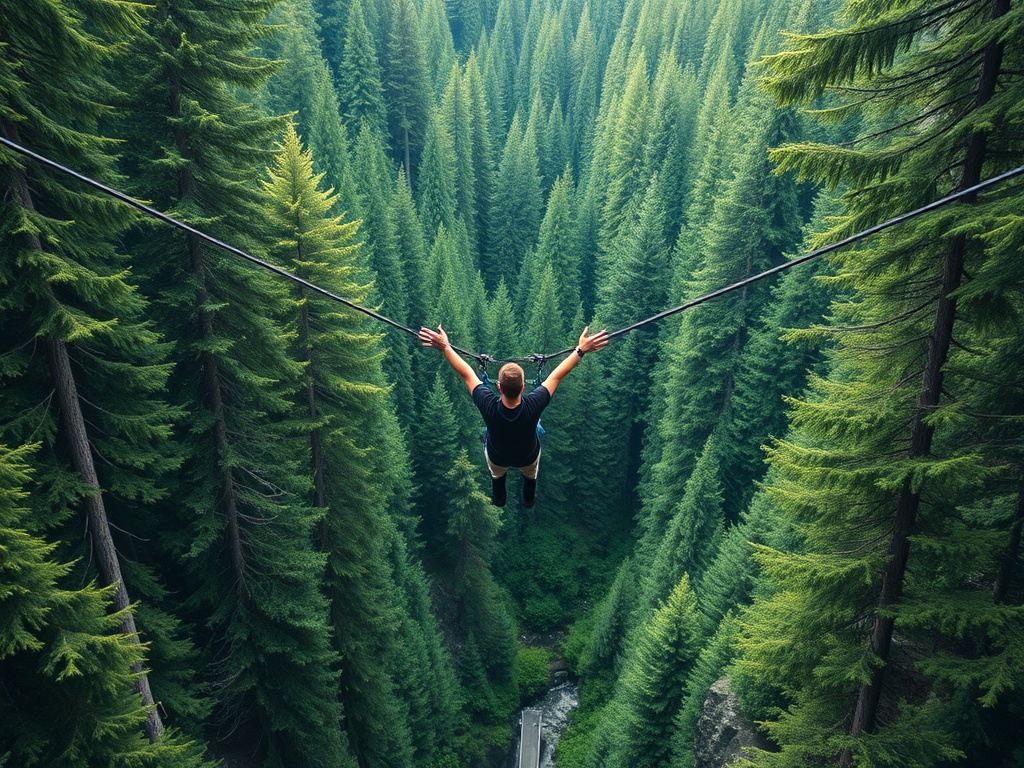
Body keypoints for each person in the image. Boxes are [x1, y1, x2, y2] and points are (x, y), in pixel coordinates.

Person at [418, 324, 609, 508]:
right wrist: (581, 350)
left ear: (499, 387)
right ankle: (528, 499)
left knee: (497, 477)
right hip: (528, 457)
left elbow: (467, 374)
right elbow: (557, 375)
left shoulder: (488, 404)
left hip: (497, 458)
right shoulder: (534, 404)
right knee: (530, 475)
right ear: (523, 387)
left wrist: (445, 347)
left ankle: (499, 499)